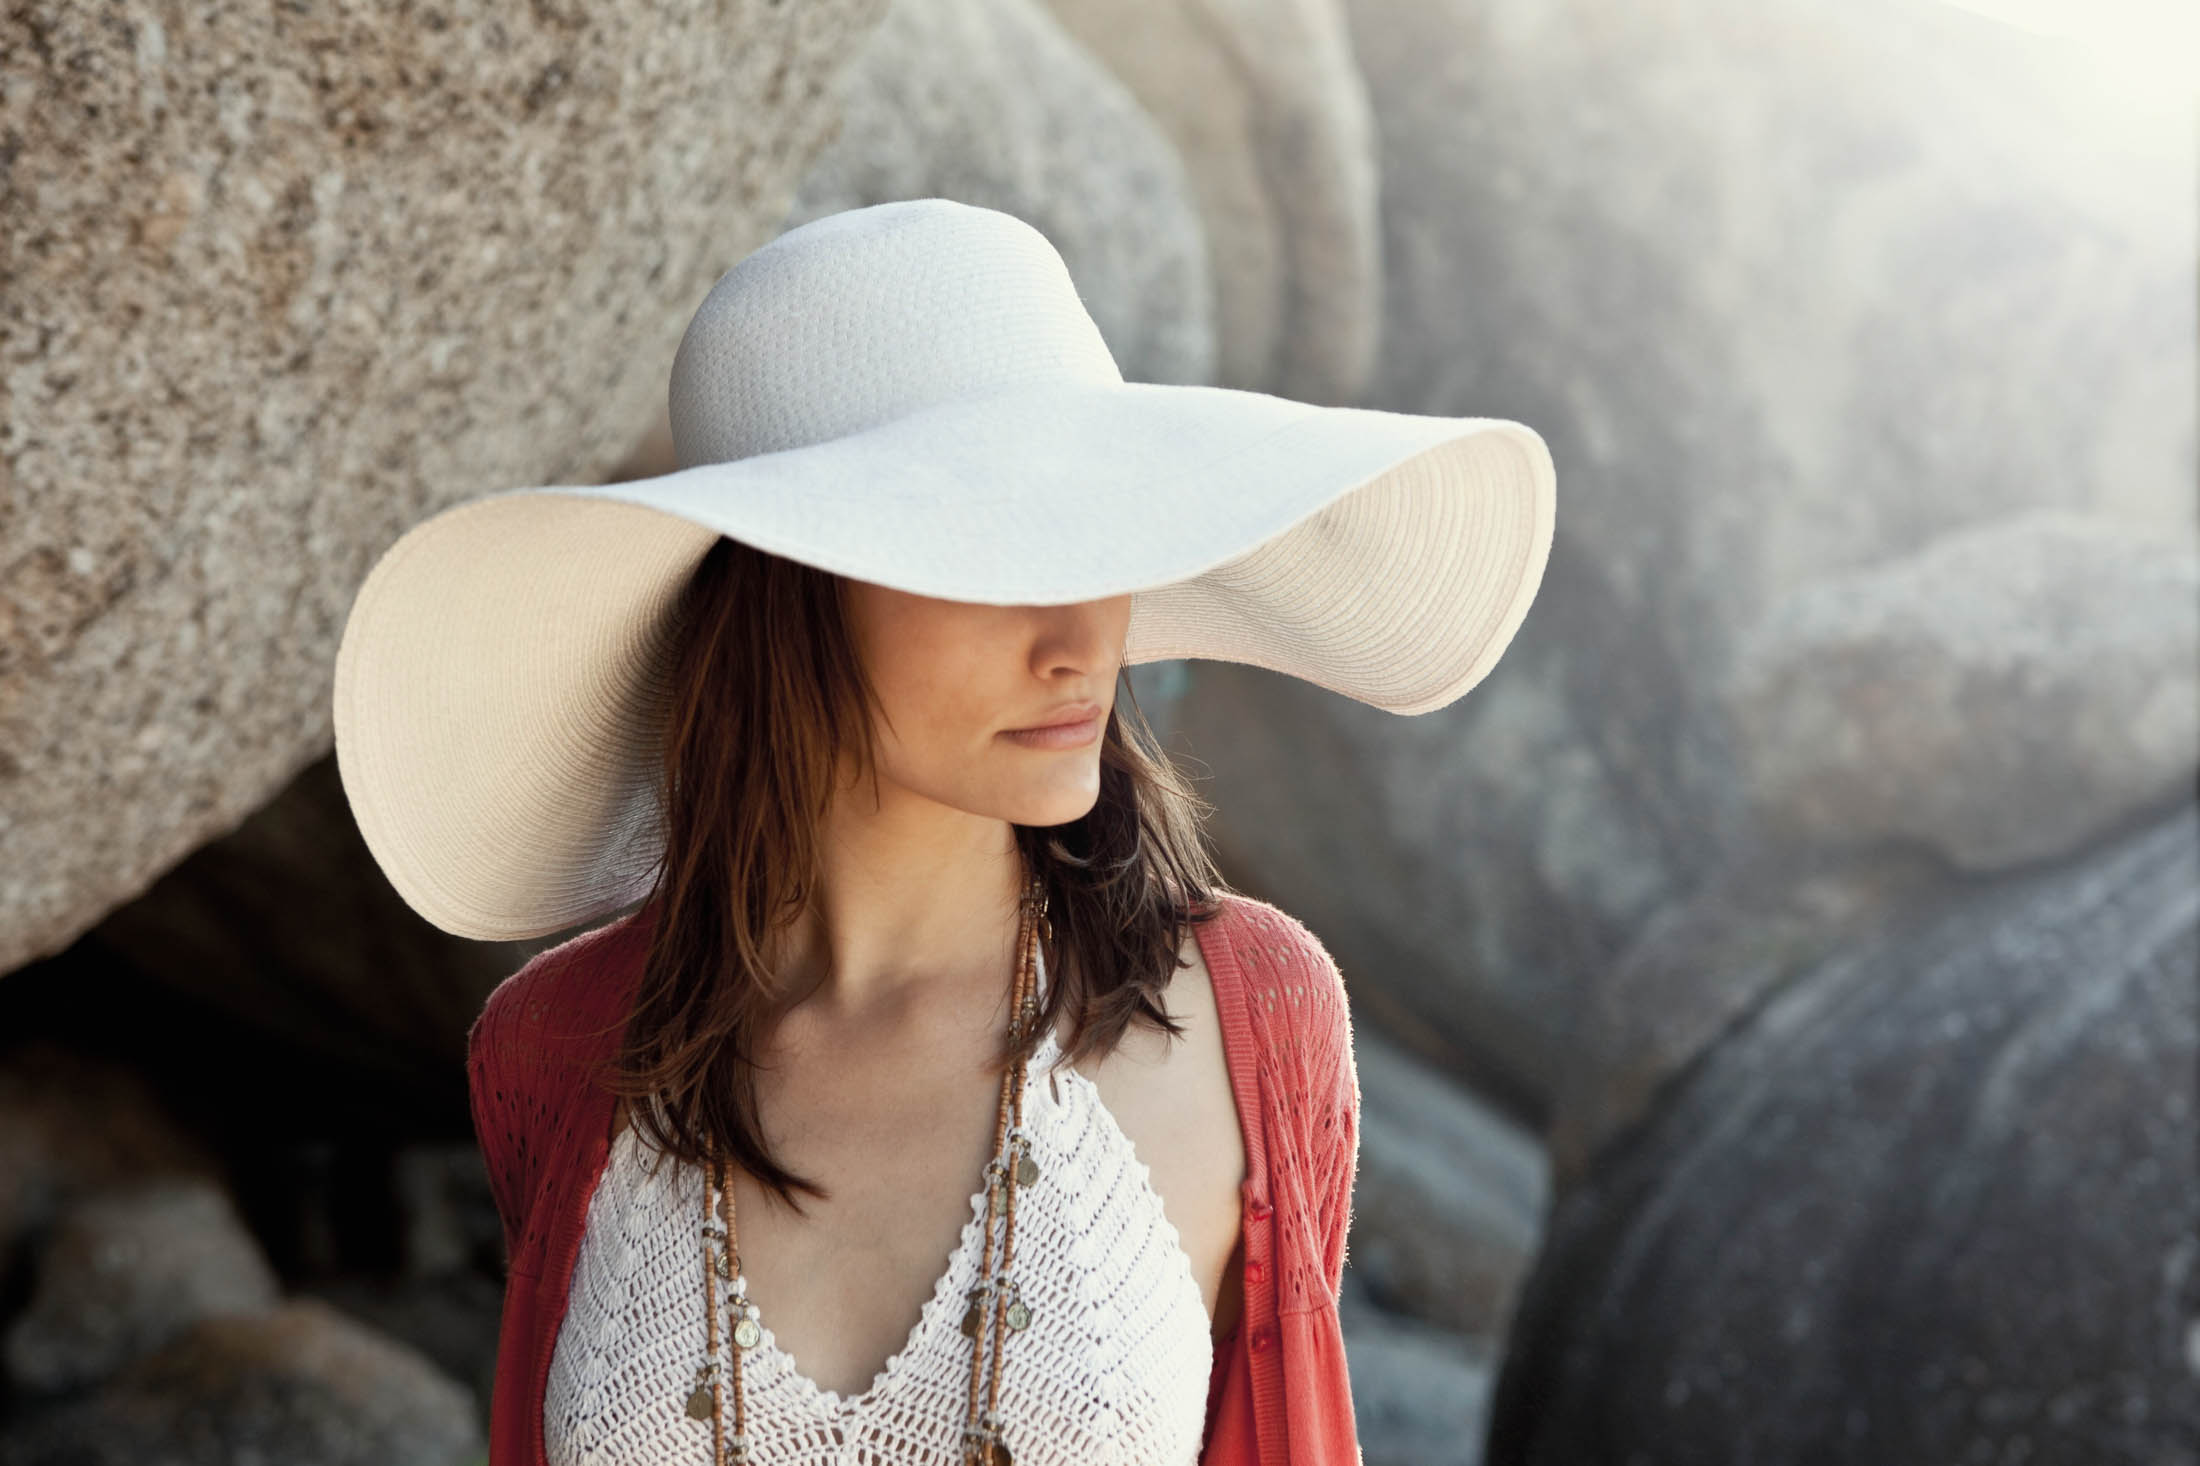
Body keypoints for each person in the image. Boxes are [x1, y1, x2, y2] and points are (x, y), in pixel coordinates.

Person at [331, 197, 1555, 1466]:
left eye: (1100, 542)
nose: (1083, 639)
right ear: (791, 594)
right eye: (996, 551)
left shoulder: (1249, 1015)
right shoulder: (560, 1051)